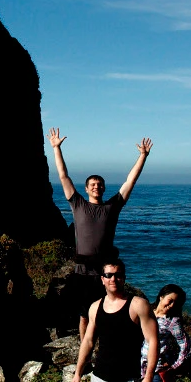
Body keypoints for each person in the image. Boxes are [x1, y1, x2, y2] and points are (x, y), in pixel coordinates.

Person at [47, 127, 152, 338]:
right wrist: (56, 149)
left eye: (100, 184)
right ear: (86, 189)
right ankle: (84, 351)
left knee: (103, 313)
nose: (96, 186)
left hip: (105, 273)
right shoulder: (78, 204)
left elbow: (129, 182)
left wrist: (142, 156)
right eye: (92, 184)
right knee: (84, 315)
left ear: (104, 188)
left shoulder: (112, 207)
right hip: (81, 272)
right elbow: (63, 176)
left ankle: (100, 348)